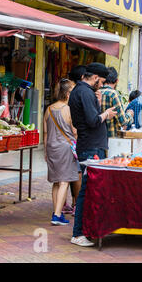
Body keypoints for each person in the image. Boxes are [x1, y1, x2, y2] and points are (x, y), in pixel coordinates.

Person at [69, 62, 119, 247]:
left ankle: (86, 229)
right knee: (86, 190)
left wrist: (97, 103)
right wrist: (106, 114)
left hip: (89, 145)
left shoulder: (81, 91)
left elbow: (86, 117)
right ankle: (78, 233)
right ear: (96, 78)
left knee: (89, 189)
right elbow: (92, 121)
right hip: (91, 147)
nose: (103, 85)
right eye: (102, 81)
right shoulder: (84, 92)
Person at [44, 79, 78, 226]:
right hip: (65, 147)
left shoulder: (49, 109)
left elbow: (45, 132)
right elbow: (75, 131)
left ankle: (55, 211)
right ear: (68, 93)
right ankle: (57, 215)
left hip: (51, 147)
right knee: (64, 181)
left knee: (56, 182)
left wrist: (46, 151)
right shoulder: (69, 109)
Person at [100, 67, 134, 138]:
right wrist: (130, 114)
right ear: (117, 80)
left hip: (98, 138)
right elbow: (123, 121)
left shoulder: (96, 92)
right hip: (111, 137)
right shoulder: (113, 94)